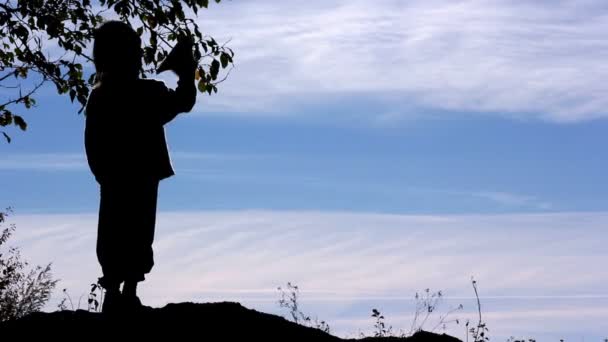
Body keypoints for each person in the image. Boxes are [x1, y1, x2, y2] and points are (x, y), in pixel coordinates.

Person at [84, 21, 197, 313]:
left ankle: (115, 291)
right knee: (138, 231)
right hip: (142, 175)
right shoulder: (147, 93)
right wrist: (186, 73)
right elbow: (184, 102)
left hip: (116, 177)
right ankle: (127, 291)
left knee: (114, 231)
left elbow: (92, 142)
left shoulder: (101, 96)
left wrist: (102, 172)